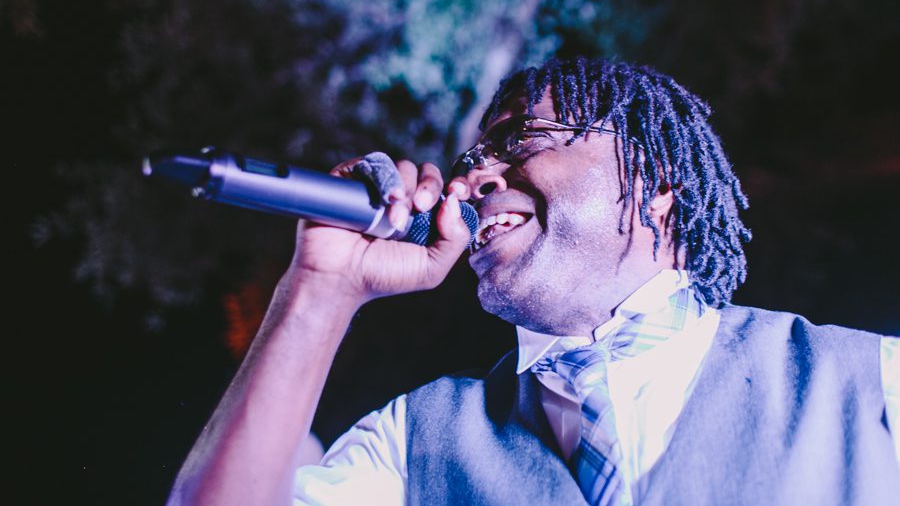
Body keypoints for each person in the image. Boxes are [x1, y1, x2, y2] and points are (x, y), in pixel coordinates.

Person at [168, 58, 900, 505]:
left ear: (656, 187)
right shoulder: (413, 443)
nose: (474, 178)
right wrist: (320, 288)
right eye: (474, 159)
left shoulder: (869, 382)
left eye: (521, 141)